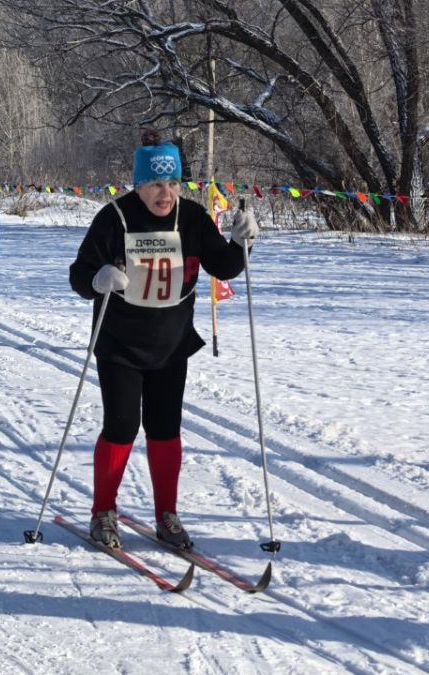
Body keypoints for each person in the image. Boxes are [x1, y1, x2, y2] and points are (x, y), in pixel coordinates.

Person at [69, 129, 258, 549]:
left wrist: (241, 243)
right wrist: (98, 278)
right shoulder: (115, 218)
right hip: (120, 344)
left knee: (165, 428)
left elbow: (224, 267)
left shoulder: (191, 217)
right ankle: (103, 512)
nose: (165, 193)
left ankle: (167, 515)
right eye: (155, 184)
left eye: (173, 183)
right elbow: (79, 274)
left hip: (170, 344)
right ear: (138, 185)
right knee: (122, 426)